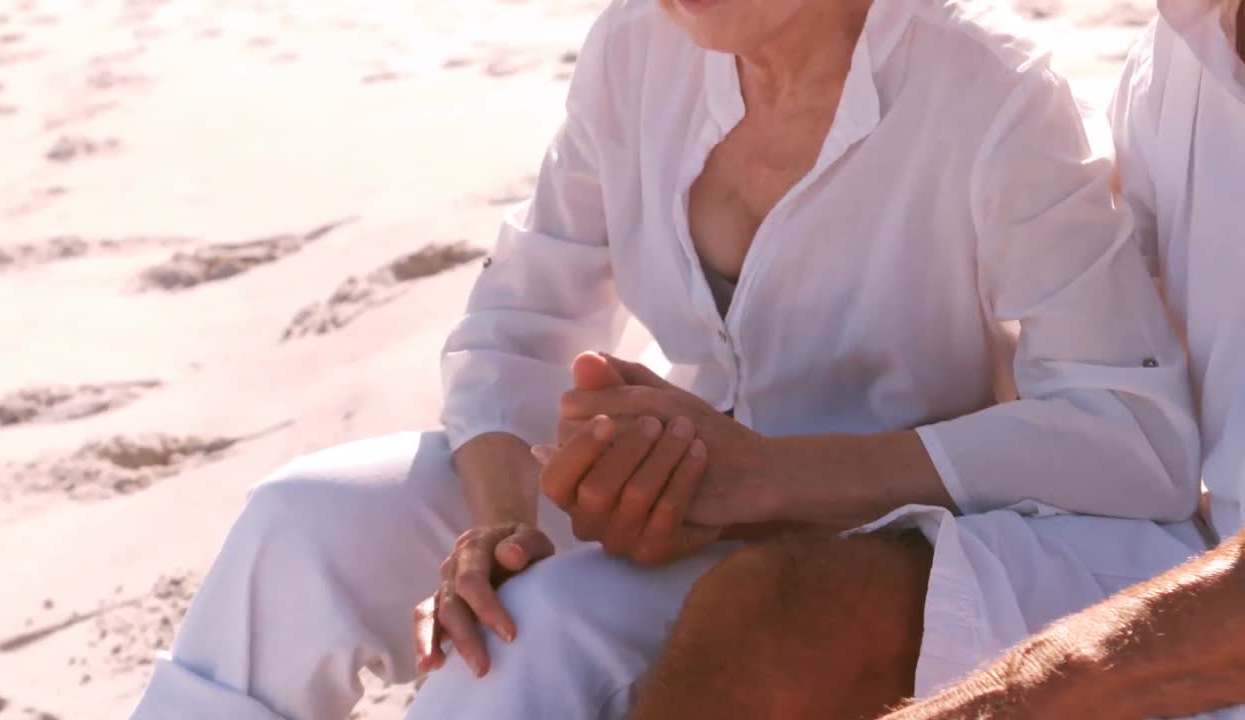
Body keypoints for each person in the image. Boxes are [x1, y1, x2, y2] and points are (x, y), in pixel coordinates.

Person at [131, 0, 1200, 719]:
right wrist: (496, 529)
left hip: (847, 530)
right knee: (298, 520)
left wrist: (765, 477)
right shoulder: (639, 44)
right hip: (642, 483)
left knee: (518, 641)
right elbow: (515, 326)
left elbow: (1133, 437)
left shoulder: (993, 95)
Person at [875, 1, 1245, 717]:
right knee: (791, 606)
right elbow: (1128, 387)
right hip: (1194, 558)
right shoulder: (1173, 57)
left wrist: (1010, 698)